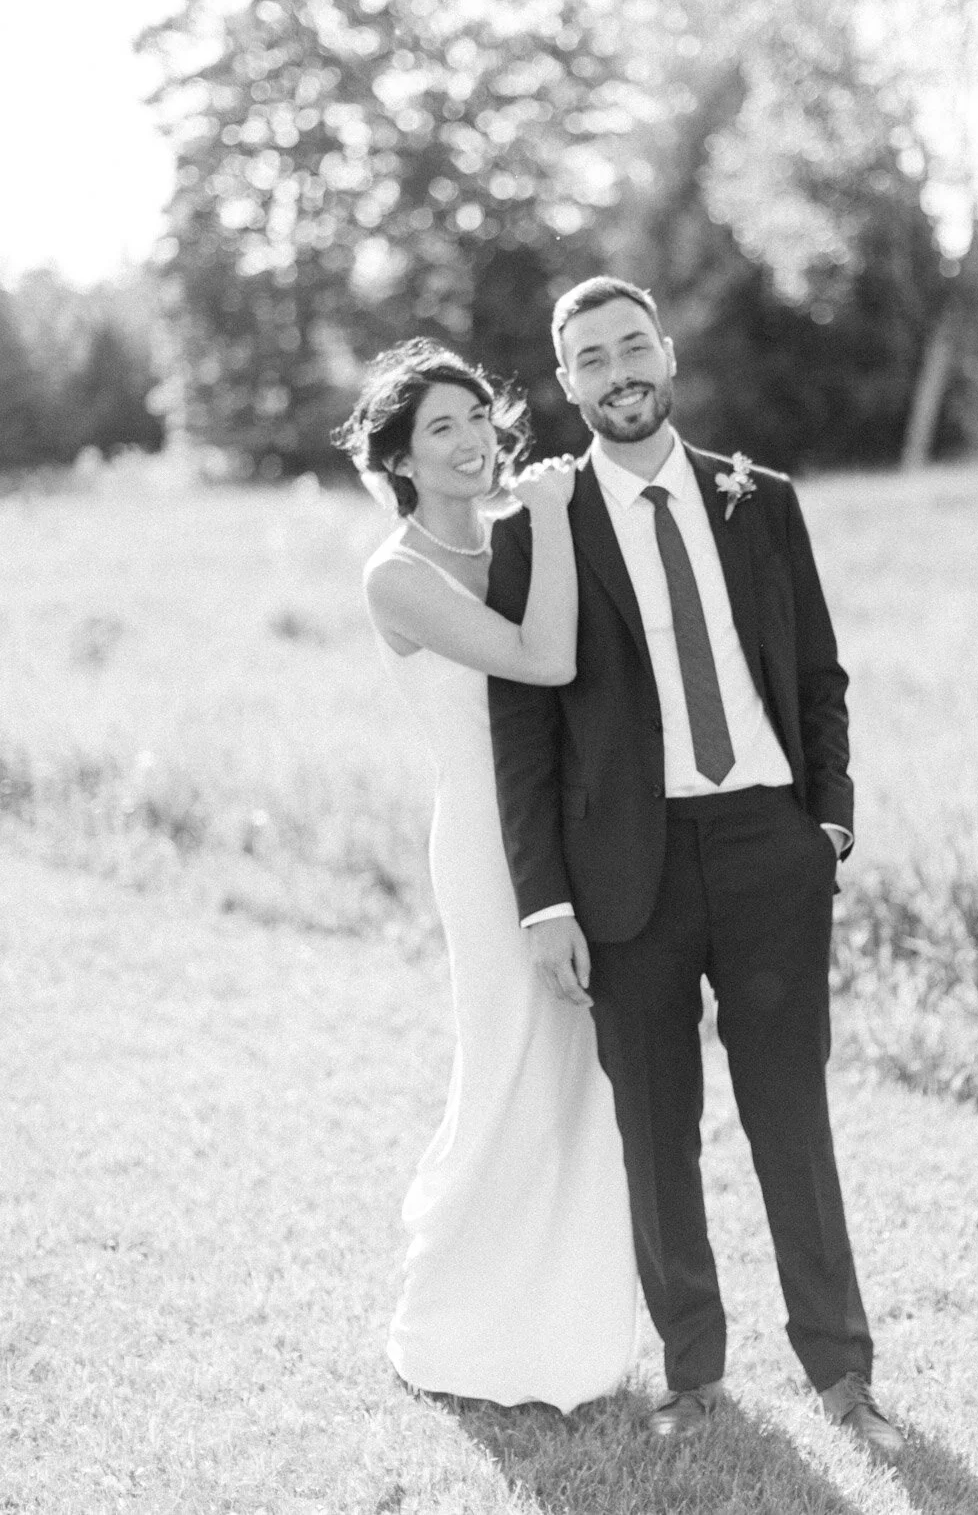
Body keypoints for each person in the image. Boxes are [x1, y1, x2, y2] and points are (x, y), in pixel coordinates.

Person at [486, 278, 903, 1457]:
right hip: (626, 869)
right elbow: (521, 728)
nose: (617, 372)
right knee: (656, 1127)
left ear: (666, 354)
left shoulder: (759, 498)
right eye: (589, 359)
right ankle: (694, 1369)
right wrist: (545, 896)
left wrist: (826, 823)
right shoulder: (536, 527)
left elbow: (818, 671)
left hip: (769, 846)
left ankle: (842, 1367)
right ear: (563, 383)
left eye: (633, 347)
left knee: (792, 1116)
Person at [333, 338, 638, 1411]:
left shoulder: (516, 535)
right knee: (507, 1062)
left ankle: (569, 1317)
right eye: (442, 429)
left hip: (576, 839)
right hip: (484, 850)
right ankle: (461, 1321)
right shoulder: (399, 575)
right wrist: (552, 520)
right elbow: (543, 659)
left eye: (477, 417)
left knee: (577, 1074)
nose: (472, 441)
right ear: (403, 461)